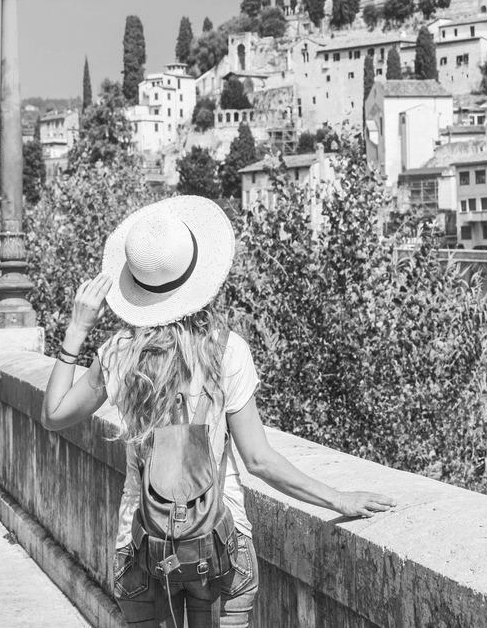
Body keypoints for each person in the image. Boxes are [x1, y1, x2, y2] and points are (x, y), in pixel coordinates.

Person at [41, 196, 395, 627]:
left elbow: (54, 414)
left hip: (140, 547)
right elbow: (260, 460)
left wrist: (77, 329)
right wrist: (338, 498)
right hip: (222, 542)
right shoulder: (228, 352)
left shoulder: (119, 354)